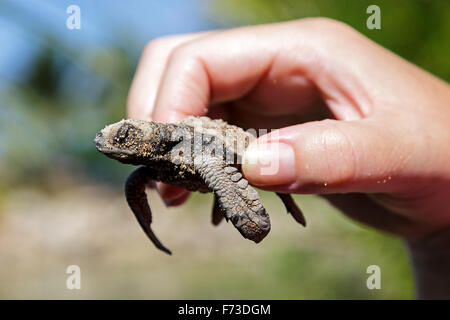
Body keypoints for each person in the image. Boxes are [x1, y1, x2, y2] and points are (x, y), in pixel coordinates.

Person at [126, 18, 450, 299]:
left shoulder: (189, 147)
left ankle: (264, 203)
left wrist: (248, 216)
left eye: (124, 136)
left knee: (232, 180)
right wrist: (438, 241)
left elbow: (225, 181)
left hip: (229, 151)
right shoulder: (149, 169)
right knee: (138, 184)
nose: (108, 142)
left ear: (148, 135)